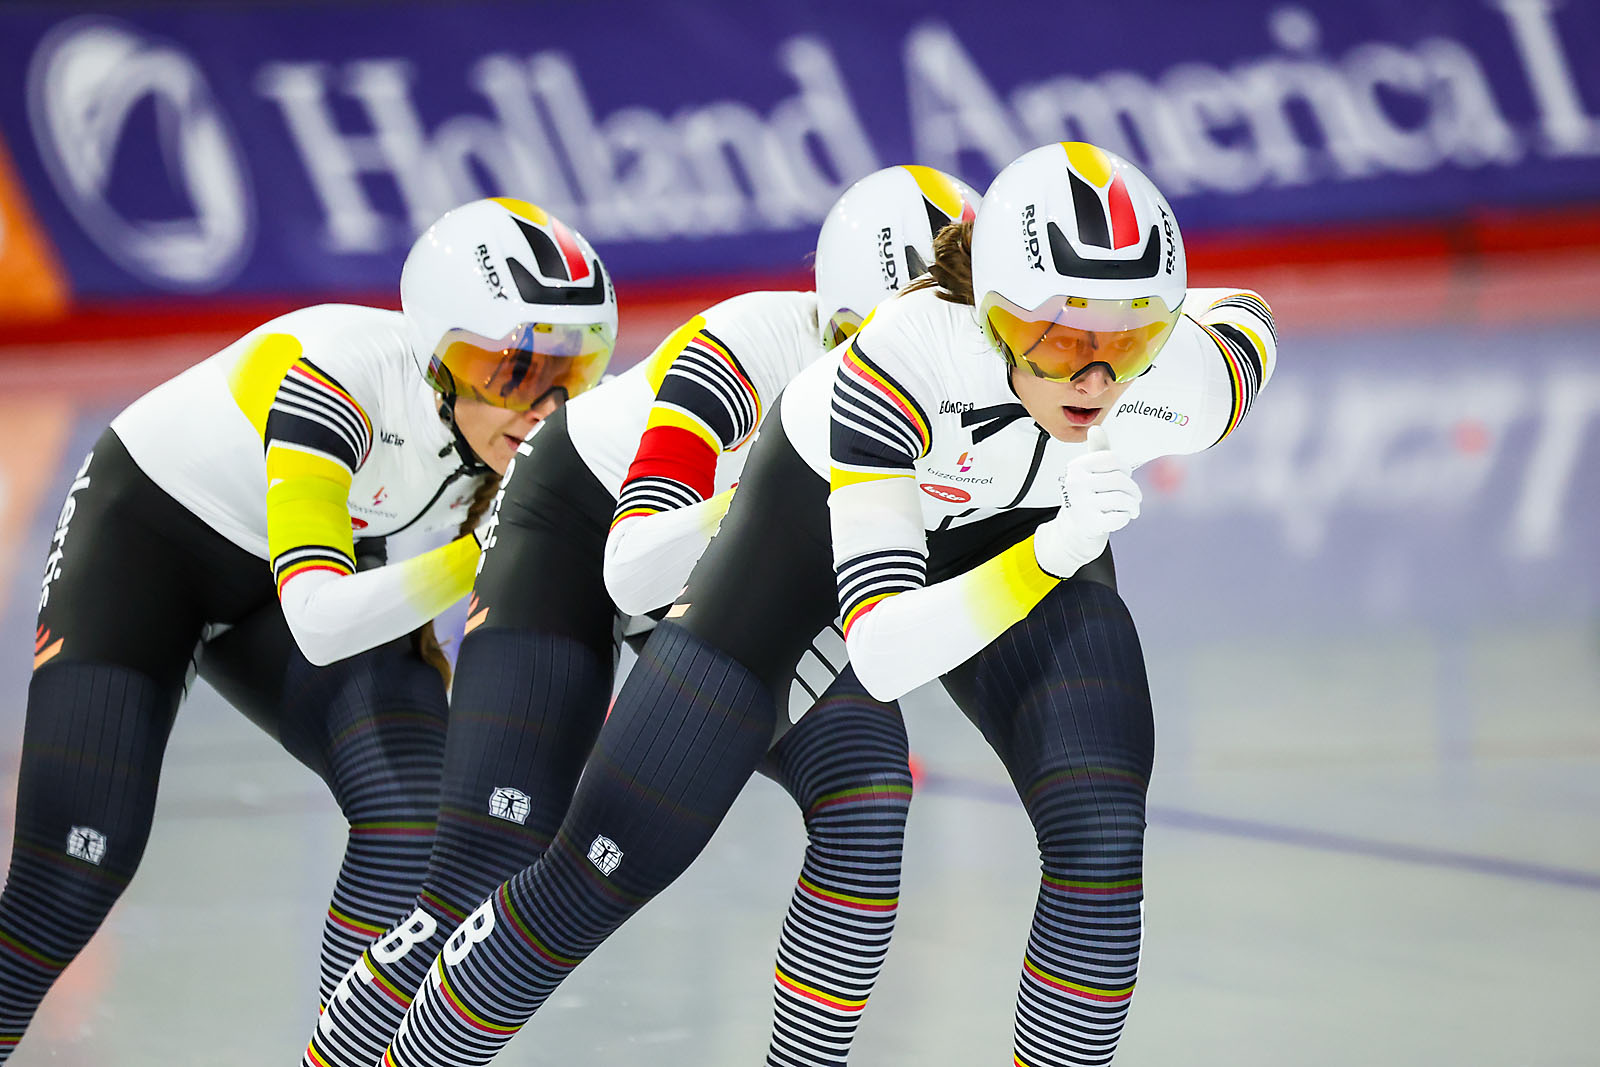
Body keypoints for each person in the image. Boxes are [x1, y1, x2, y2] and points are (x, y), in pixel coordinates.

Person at [378, 142, 1277, 1067]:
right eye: (1056, 339)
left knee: (1099, 839)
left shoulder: (1187, 378)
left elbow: (1248, 324)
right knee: (599, 869)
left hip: (999, 521)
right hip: (800, 528)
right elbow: (875, 651)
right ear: (984, 312)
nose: (1094, 382)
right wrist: (1055, 548)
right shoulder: (883, 364)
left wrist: (1157, 339)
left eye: (1126, 343)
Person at [305, 165, 981, 1067]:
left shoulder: (982, 380)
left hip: (737, 567)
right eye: (886, 341)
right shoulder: (741, 346)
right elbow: (637, 563)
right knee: (483, 869)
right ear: (835, 323)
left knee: (867, 797)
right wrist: (771, 497)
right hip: (587, 521)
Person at [0, 198, 616, 1062]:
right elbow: (321, 622)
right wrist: (488, 551)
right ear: (437, 357)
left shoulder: (538, 430)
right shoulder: (334, 380)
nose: (544, 405)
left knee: (417, 817)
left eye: (572, 371)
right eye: (510, 371)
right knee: (73, 870)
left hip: (326, 575)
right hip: (150, 550)